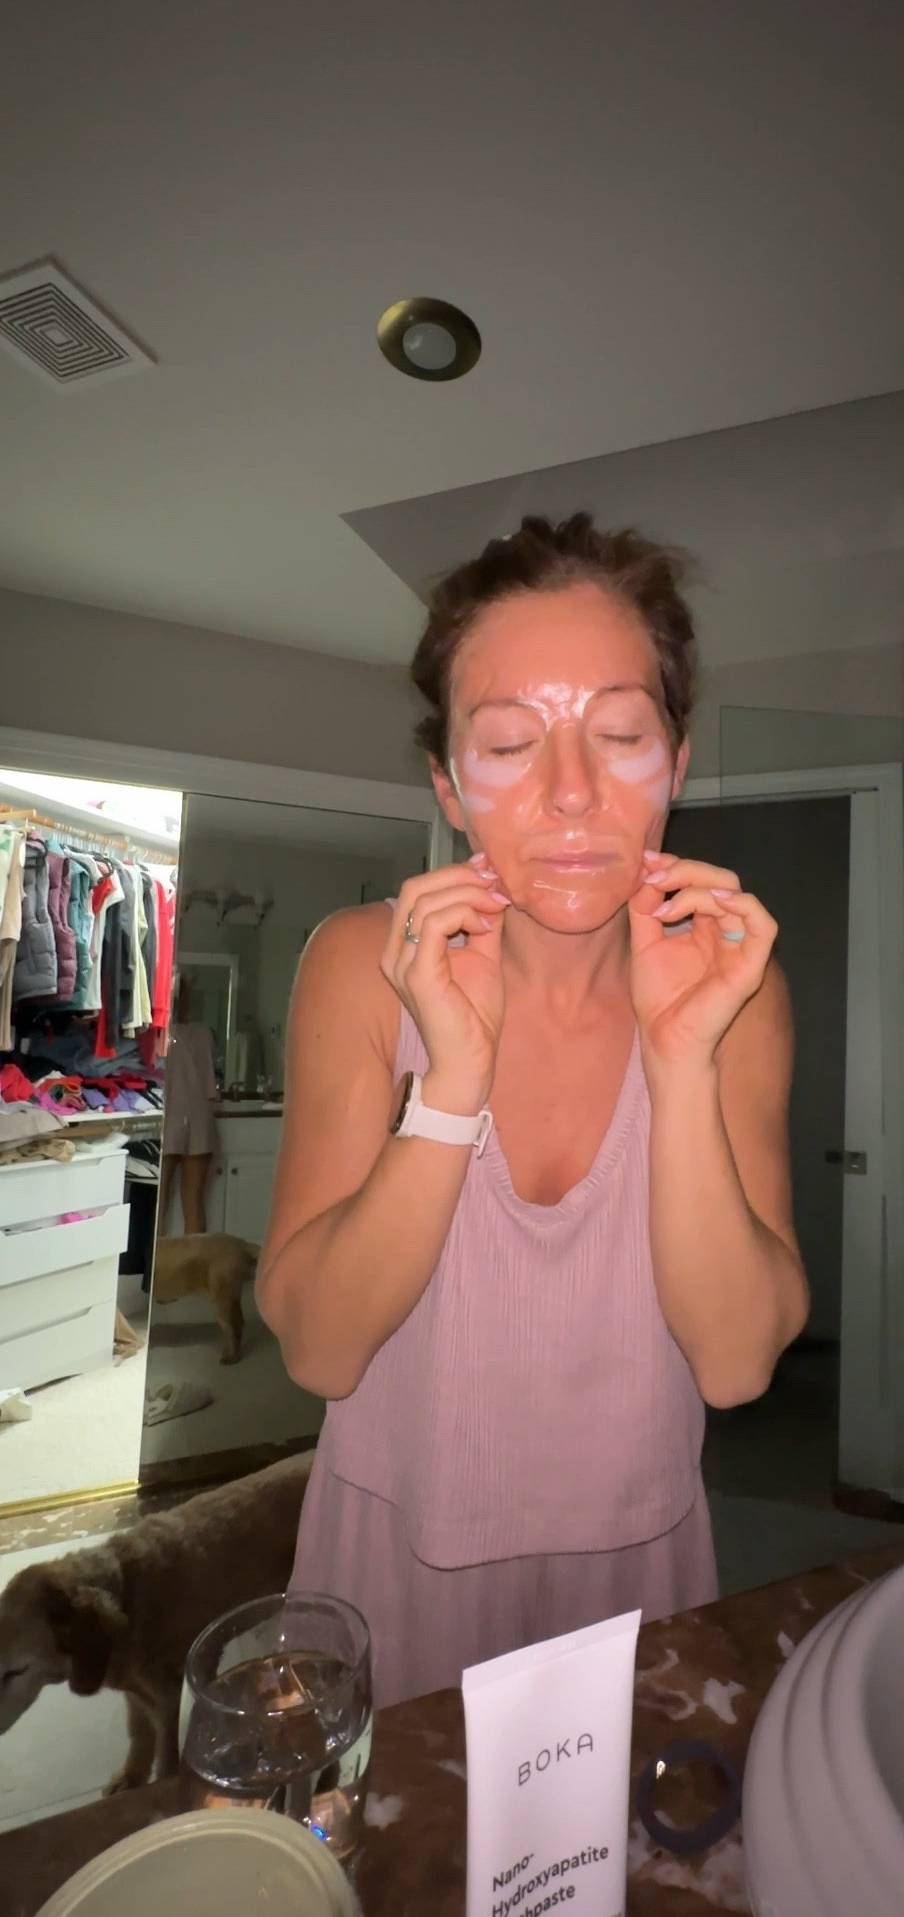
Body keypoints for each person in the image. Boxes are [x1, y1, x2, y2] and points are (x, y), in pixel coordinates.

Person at [257, 513, 807, 1707]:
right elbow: (319, 1347)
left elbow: (735, 1364)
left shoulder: (740, 994)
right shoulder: (361, 967)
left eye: (619, 735)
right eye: (511, 742)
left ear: (677, 763)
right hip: (393, 1567)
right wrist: (450, 1087)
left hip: (639, 1571)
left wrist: (680, 1057)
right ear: (450, 787)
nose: (570, 793)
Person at [159, 975, 218, 1234]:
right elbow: (210, 1084)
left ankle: (158, 1257)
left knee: (157, 1201)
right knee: (194, 1200)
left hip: (167, 1116)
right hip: (199, 1117)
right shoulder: (202, 1033)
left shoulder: (160, 1033)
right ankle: (195, 1257)